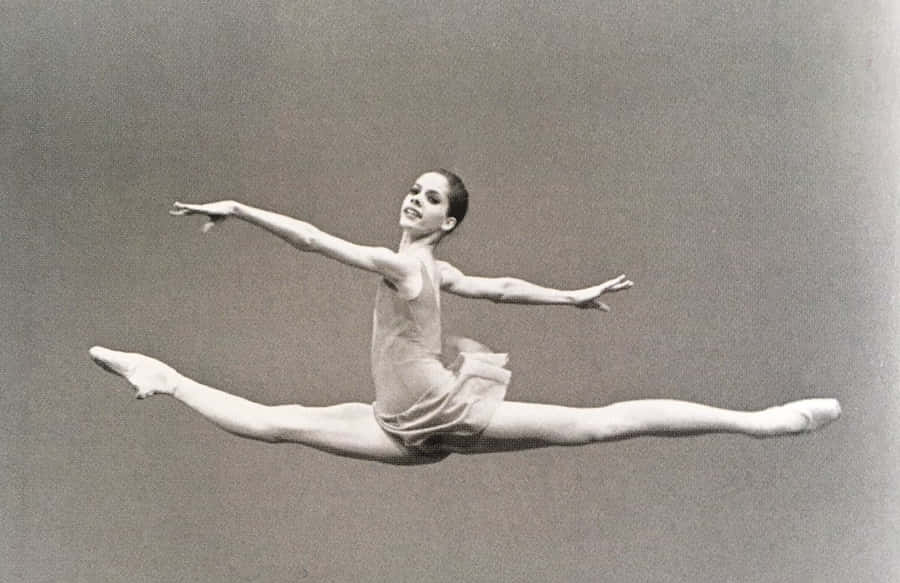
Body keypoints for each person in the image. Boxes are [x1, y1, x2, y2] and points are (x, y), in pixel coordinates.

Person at [90, 169, 841, 464]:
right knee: (278, 421)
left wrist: (241, 208)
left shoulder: (407, 264)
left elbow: (318, 242)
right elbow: (503, 286)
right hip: (401, 422)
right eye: (413, 190)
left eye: (431, 199)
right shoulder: (434, 267)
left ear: (446, 221)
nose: (414, 199)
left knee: (600, 421)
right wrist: (569, 297)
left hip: (429, 408)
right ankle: (163, 374)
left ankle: (762, 421)